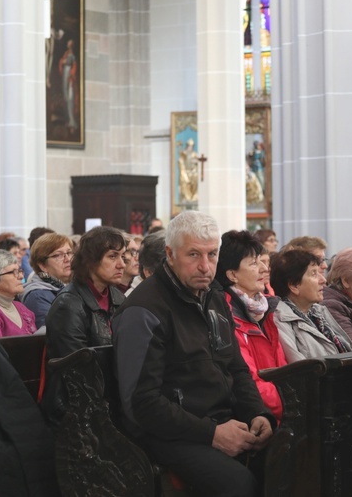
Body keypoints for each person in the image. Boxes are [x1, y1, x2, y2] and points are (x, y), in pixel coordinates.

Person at [112, 211, 274, 496]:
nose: (205, 266)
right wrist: (212, 434)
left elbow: (235, 367)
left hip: (218, 419)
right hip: (169, 433)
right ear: (170, 254)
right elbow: (141, 404)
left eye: (212, 255)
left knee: (291, 460)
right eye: (193, 255)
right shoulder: (144, 310)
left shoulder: (213, 297)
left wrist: (258, 414)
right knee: (240, 485)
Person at [217, 230, 287, 422]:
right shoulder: (227, 315)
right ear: (232, 274)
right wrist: (293, 406)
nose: (264, 268)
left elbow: (282, 370)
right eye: (254, 263)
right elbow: (249, 381)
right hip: (258, 416)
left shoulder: (266, 309)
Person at [45, 226, 126, 360]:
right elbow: (77, 368)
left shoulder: (118, 298)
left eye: (123, 256)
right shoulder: (68, 305)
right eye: (112, 256)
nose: (122, 264)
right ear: (90, 261)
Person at [271, 249, 352, 362]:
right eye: (314, 274)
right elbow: (300, 370)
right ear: (294, 286)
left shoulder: (318, 312)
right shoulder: (281, 320)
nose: (323, 280)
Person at [20, 233, 73, 328]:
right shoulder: (37, 295)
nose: (68, 259)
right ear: (42, 265)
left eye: (69, 253)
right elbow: (53, 332)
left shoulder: (73, 286)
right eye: (58, 255)